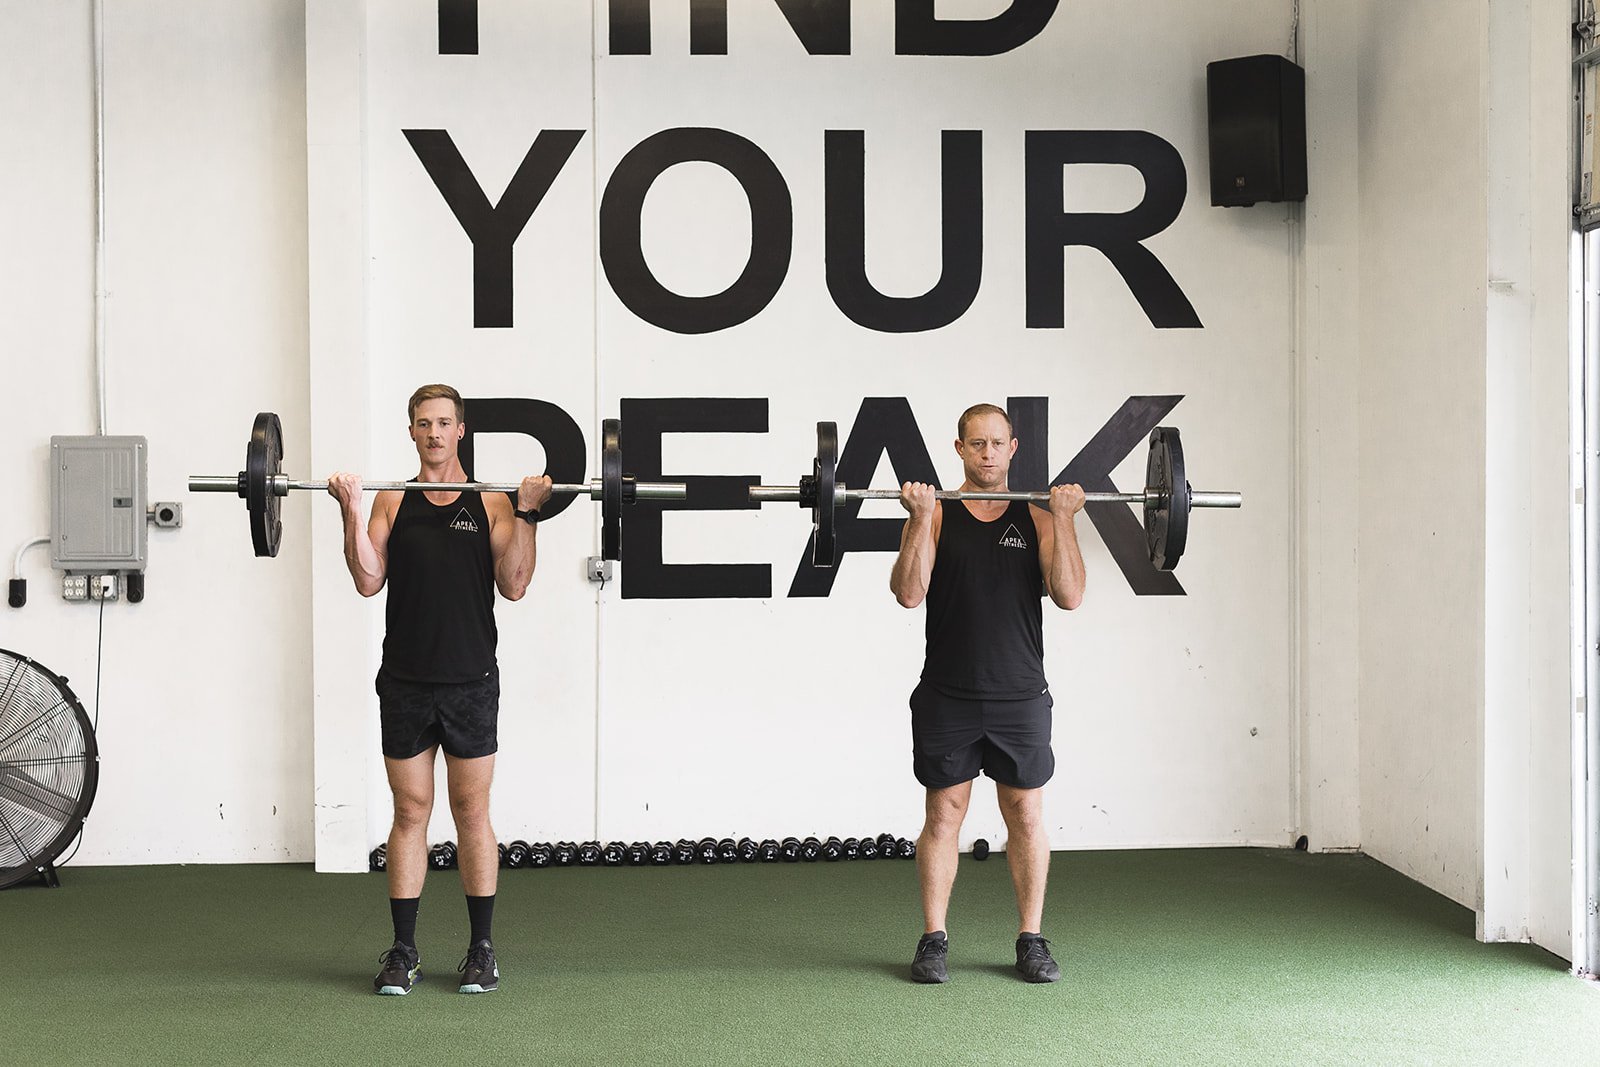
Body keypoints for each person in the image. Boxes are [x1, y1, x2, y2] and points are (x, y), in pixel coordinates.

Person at [327, 383, 551, 996]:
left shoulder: (493, 504)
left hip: (470, 682)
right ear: (411, 432)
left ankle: (481, 950)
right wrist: (350, 508)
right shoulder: (394, 501)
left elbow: (516, 584)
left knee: (472, 812)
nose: (433, 432)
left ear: (460, 430)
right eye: (423, 422)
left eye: (444, 422)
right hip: (404, 682)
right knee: (409, 812)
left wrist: (529, 511)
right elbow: (368, 580)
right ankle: (403, 950)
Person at [889, 403, 1086, 984]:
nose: (988, 454)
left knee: (1025, 814)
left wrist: (1067, 517)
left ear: (1013, 448)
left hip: (1019, 695)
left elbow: (1070, 596)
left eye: (997, 443)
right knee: (943, 814)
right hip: (948, 693)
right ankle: (933, 939)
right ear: (959, 449)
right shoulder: (938, 516)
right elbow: (907, 593)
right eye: (976, 444)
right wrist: (921, 518)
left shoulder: (1039, 519)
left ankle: (1031, 938)